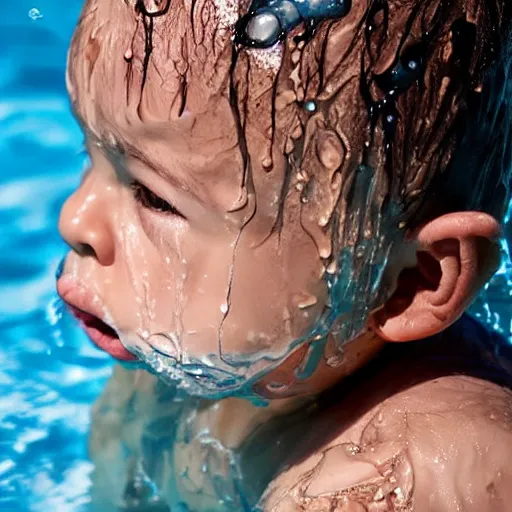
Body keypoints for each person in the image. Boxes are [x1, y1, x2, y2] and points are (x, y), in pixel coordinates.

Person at [56, 0, 512, 509]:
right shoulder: (197, 347)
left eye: (155, 197)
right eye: (89, 150)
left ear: (411, 281)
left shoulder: (398, 477)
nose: (74, 219)